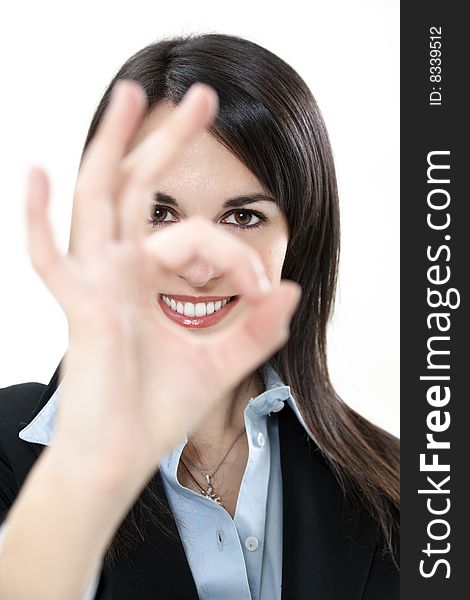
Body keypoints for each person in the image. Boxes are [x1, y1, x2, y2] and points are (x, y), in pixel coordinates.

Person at [0, 33, 399, 599]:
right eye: (159, 212)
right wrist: (78, 484)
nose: (199, 267)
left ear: (298, 239)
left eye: (242, 217)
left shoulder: (398, 486)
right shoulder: (5, 448)